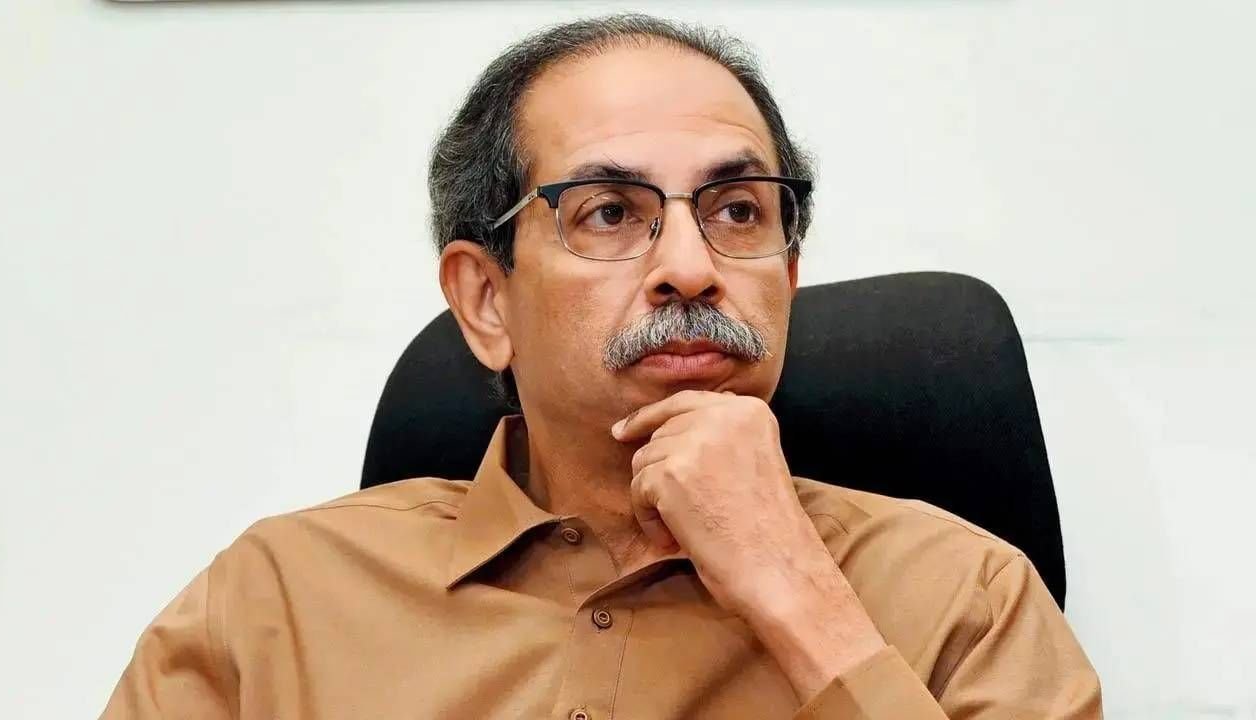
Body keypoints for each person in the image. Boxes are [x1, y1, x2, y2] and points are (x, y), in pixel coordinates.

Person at [102, 14, 1102, 720]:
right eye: (610, 213)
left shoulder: (967, 601)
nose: (689, 267)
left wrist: (800, 601)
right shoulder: (278, 604)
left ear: (789, 278)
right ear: (485, 300)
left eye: (738, 211)